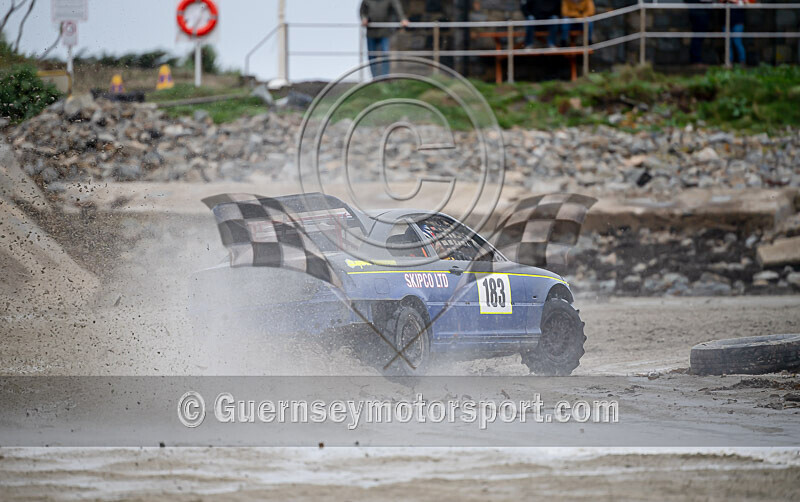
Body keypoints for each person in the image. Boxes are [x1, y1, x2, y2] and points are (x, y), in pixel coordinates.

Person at [360, 0, 409, 78]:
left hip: (384, 31)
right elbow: (362, 11)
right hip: (371, 31)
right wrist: (364, 19)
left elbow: (397, 7)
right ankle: (374, 77)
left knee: (385, 53)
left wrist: (402, 19)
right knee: (372, 55)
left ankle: (385, 77)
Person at [726, 0, 755, 65]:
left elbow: (750, 3)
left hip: (738, 22)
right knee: (728, 42)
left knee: (737, 42)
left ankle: (742, 61)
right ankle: (728, 62)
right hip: (726, 21)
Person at [687, 0, 713, 65]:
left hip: (701, 14)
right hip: (699, 14)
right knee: (697, 38)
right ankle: (696, 60)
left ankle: (696, 60)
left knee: (698, 38)